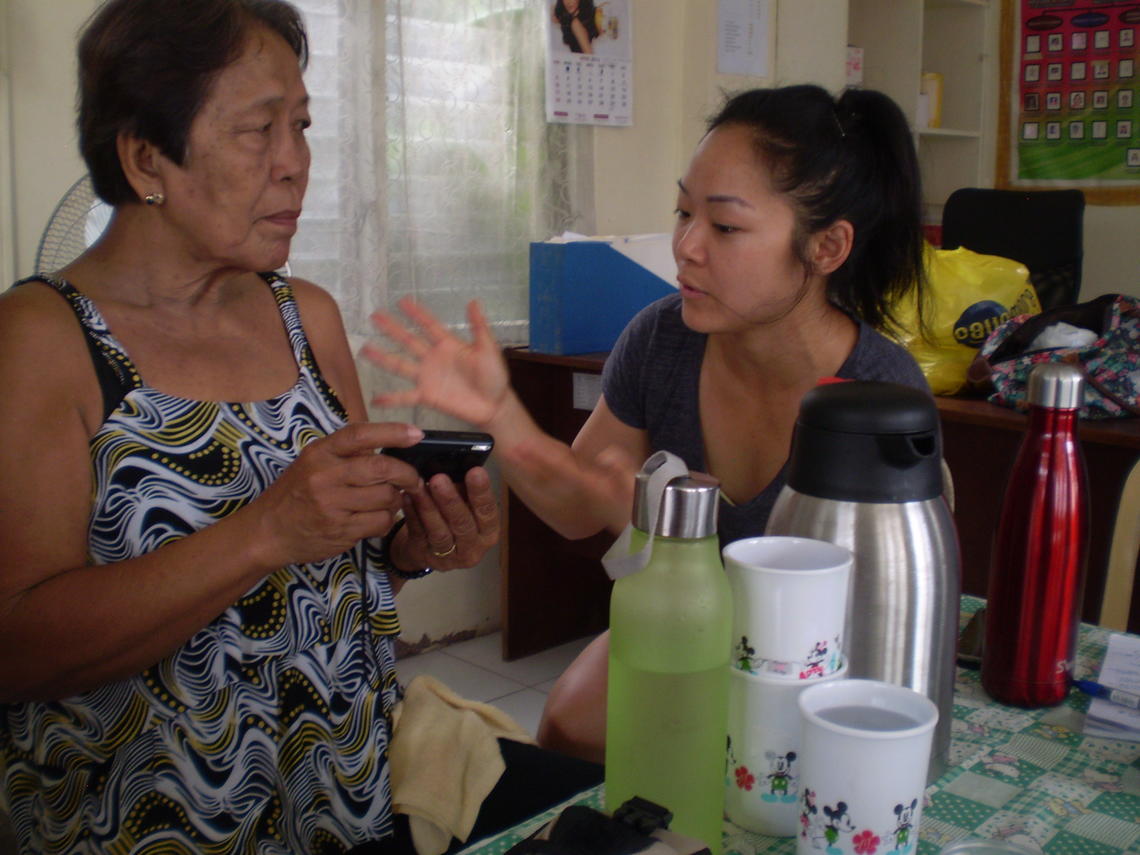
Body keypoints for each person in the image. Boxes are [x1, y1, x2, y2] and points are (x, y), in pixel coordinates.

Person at [0, 1, 598, 853]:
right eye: (258, 130)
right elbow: (16, 646)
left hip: (338, 793)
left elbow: (344, 581)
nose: (297, 165)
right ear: (144, 157)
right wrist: (264, 532)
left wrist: (408, 547)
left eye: (304, 125)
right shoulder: (40, 340)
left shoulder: (304, 318)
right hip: (142, 817)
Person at [365, 84, 932, 765]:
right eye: (682, 210)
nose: (686, 246)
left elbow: (870, 621)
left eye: (724, 227)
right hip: (681, 625)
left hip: (817, 662)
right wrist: (500, 415)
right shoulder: (662, 340)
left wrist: (642, 526)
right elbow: (578, 510)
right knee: (571, 725)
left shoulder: (883, 397)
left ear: (827, 247)